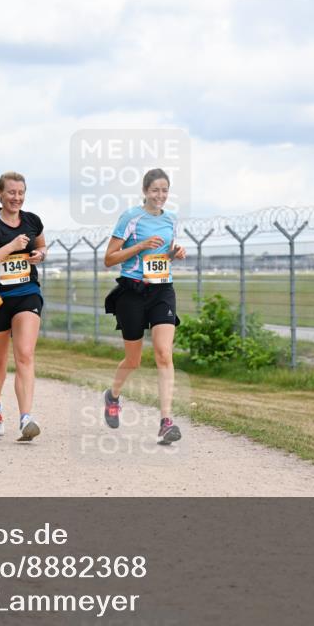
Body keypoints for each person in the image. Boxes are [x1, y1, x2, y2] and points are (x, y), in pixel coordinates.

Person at [102, 168, 187, 445]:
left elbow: (162, 257)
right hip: (133, 291)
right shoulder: (131, 217)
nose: (160, 195)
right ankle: (112, 396)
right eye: (155, 190)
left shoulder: (172, 220)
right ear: (145, 191)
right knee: (134, 360)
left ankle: (165, 421)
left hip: (162, 289)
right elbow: (109, 258)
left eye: (164, 190)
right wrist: (139, 246)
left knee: (164, 353)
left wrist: (174, 255)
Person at [0, 171, 47, 441]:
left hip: (27, 293)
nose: (16, 198)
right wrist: (12, 245)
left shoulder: (32, 220)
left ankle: (26, 417)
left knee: (25, 354)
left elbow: (41, 245)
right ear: (0, 193)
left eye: (20, 193)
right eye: (11, 192)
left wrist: (41, 254)